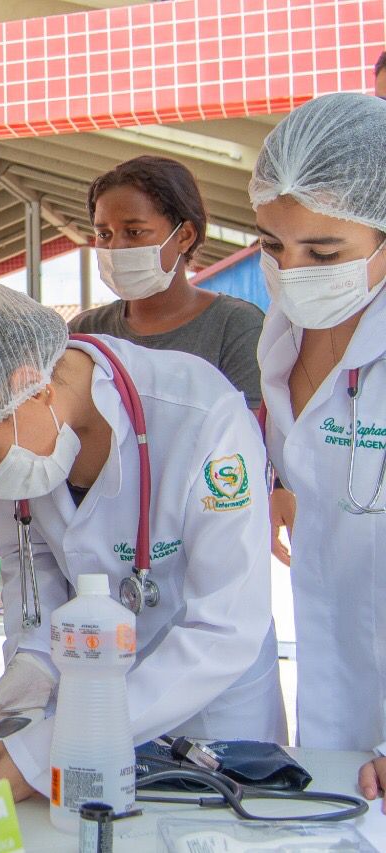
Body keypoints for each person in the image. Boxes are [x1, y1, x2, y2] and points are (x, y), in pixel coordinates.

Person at [0, 270, 286, 802]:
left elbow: (225, 626)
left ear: (32, 384)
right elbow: (33, 573)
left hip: (212, 715)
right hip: (84, 703)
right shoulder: (16, 444)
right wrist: (34, 665)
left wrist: (48, 749)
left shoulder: (202, 417)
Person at [246, 92, 386, 807]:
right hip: (329, 713)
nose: (294, 270)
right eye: (273, 245)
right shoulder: (283, 334)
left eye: (324, 252)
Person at [71, 155, 265, 410]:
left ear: (184, 236)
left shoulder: (235, 328)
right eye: (103, 234)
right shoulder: (85, 333)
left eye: (134, 232)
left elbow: (248, 439)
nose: (115, 246)